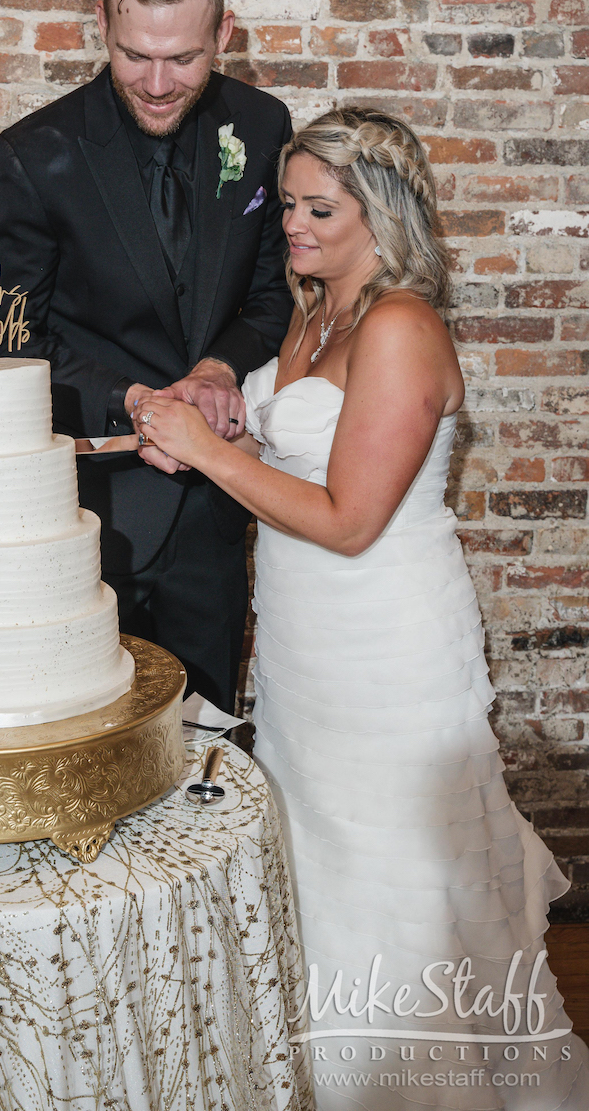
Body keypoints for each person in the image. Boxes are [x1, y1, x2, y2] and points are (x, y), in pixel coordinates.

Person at [136, 108, 589, 1108]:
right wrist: (202, 445)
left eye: (319, 209)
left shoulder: (400, 327)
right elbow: (296, 464)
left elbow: (349, 519)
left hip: (388, 648)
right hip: (306, 650)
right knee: (324, 871)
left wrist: (212, 453)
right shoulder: (315, 311)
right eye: (288, 204)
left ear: (382, 213)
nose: (293, 226)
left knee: (393, 880)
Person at [0, 0, 292, 712]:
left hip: (216, 511)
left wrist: (217, 367)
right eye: (133, 55)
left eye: (182, 58)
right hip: (84, 522)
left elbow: (274, 296)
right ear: (102, 25)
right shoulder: (30, 156)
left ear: (225, 34)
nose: (155, 83)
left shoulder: (261, 127)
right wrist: (137, 404)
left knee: (209, 741)